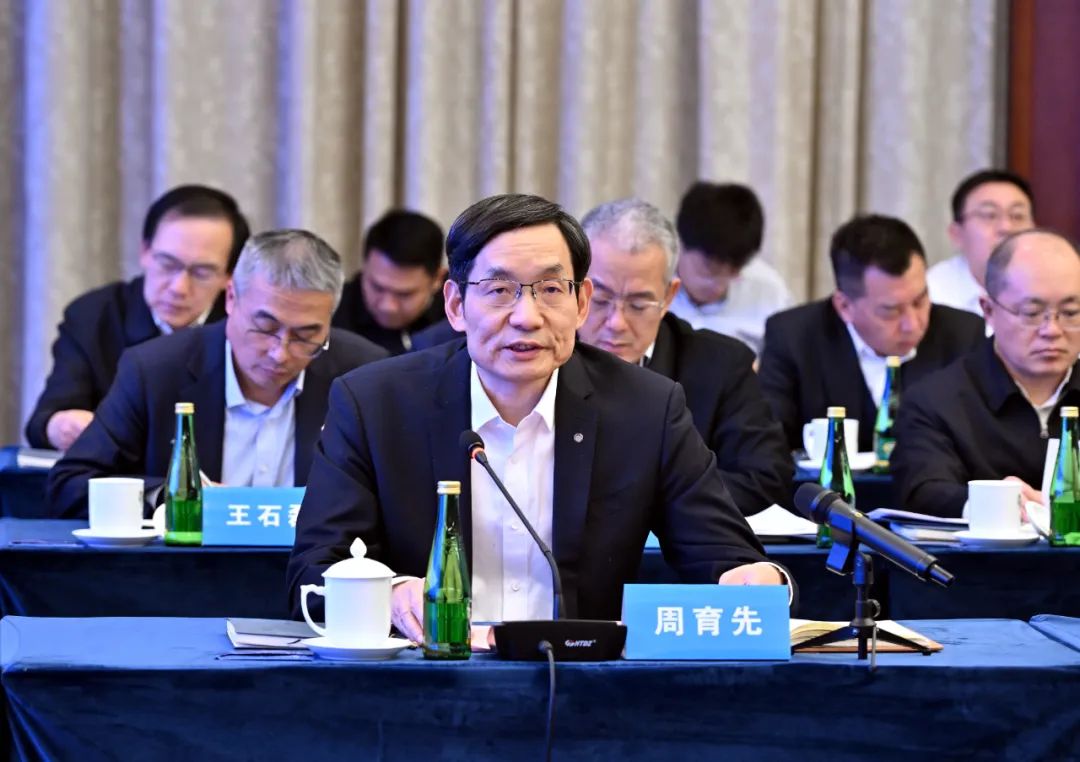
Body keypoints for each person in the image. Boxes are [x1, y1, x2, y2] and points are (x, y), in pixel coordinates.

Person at [288, 194, 792, 637]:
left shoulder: (647, 410)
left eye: (551, 290)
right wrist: (392, 593)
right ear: (456, 305)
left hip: (580, 685)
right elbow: (313, 574)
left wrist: (751, 578)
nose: (527, 317)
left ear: (581, 302)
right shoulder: (375, 403)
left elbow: (725, 554)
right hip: (426, 683)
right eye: (499, 290)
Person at [46, 230, 389, 519]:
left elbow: (397, 495)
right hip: (189, 571)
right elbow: (70, 485)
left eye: (305, 335)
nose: (280, 353)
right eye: (265, 327)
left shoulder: (365, 374)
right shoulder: (155, 370)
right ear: (230, 299)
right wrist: (173, 498)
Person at [577, 197, 792, 516]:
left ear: (668, 297)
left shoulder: (720, 366)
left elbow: (766, 478)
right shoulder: (540, 358)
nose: (617, 322)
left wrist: (642, 500)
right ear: (575, 289)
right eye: (600, 300)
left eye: (638, 304)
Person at [25, 185, 251, 451]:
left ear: (229, 275)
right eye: (167, 264)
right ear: (145, 251)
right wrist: (60, 425)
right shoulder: (94, 316)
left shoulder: (246, 327)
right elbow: (46, 418)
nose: (179, 288)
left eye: (201, 272)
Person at [892, 229, 1080, 518]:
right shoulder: (935, 402)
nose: (1052, 330)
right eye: (1031, 313)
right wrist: (995, 502)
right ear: (988, 310)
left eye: (1070, 312)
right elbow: (924, 491)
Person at [759, 214, 985, 453]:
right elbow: (768, 445)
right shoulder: (794, 338)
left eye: (920, 301)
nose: (912, 324)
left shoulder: (963, 335)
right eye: (891, 311)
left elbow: (981, 441)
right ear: (844, 307)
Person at [667, 182, 792, 355]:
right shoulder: (647, 283)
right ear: (680, 243)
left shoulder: (769, 289)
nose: (719, 286)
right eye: (710, 270)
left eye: (734, 272)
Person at [332, 210, 447, 354]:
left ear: (437, 279)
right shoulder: (331, 313)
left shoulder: (462, 313)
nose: (387, 307)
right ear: (365, 267)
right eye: (377, 287)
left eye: (404, 294)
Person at [927, 169, 1036, 316]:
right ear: (957, 234)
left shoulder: (1056, 284)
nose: (1006, 227)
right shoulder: (932, 295)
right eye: (989, 215)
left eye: (1017, 216)